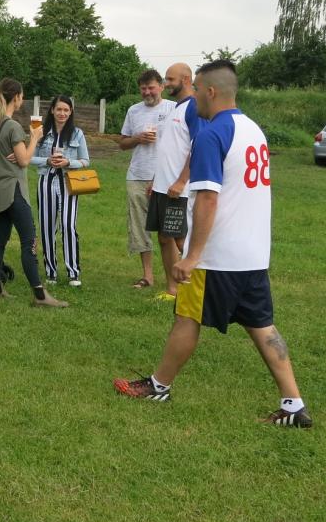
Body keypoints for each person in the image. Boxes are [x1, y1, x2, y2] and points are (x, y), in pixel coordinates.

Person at [114, 60, 311, 428]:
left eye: (197, 89)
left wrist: (193, 256)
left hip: (217, 257)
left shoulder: (211, 135)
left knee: (187, 317)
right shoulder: (253, 130)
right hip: (253, 254)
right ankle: (293, 404)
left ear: (210, 91)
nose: (193, 97)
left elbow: (206, 198)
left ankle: (159, 385)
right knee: (262, 325)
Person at [0, 78, 67, 308]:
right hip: (14, 190)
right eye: (22, 96)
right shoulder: (12, 126)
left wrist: (20, 150)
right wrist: (34, 139)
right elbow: (24, 160)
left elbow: (7, 155)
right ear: (17, 97)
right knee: (29, 240)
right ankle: (40, 295)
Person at [147, 63, 202, 301]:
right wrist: (155, 180)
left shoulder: (194, 107)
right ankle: (173, 290)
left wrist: (181, 181)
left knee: (181, 239)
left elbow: (198, 146)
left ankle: (200, 288)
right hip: (163, 186)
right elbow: (170, 149)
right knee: (164, 237)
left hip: (179, 189)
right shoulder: (175, 108)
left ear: (186, 79)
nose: (166, 83)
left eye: (170, 79)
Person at [119, 69, 176, 289]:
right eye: (143, 89)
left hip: (165, 178)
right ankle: (148, 276)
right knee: (140, 228)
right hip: (137, 176)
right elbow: (122, 143)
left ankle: (175, 279)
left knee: (167, 230)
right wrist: (137, 138)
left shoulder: (173, 108)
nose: (147, 92)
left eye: (151, 87)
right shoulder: (134, 111)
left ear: (161, 86)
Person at [30, 95, 90, 287]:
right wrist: (47, 160)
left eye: (66, 110)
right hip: (46, 181)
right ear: (52, 110)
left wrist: (68, 162)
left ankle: (73, 273)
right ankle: (51, 272)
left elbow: (85, 161)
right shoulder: (40, 132)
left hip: (68, 182)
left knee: (68, 225)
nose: (62, 113)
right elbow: (29, 157)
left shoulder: (77, 133)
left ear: (71, 112)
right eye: (59, 109)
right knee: (47, 227)